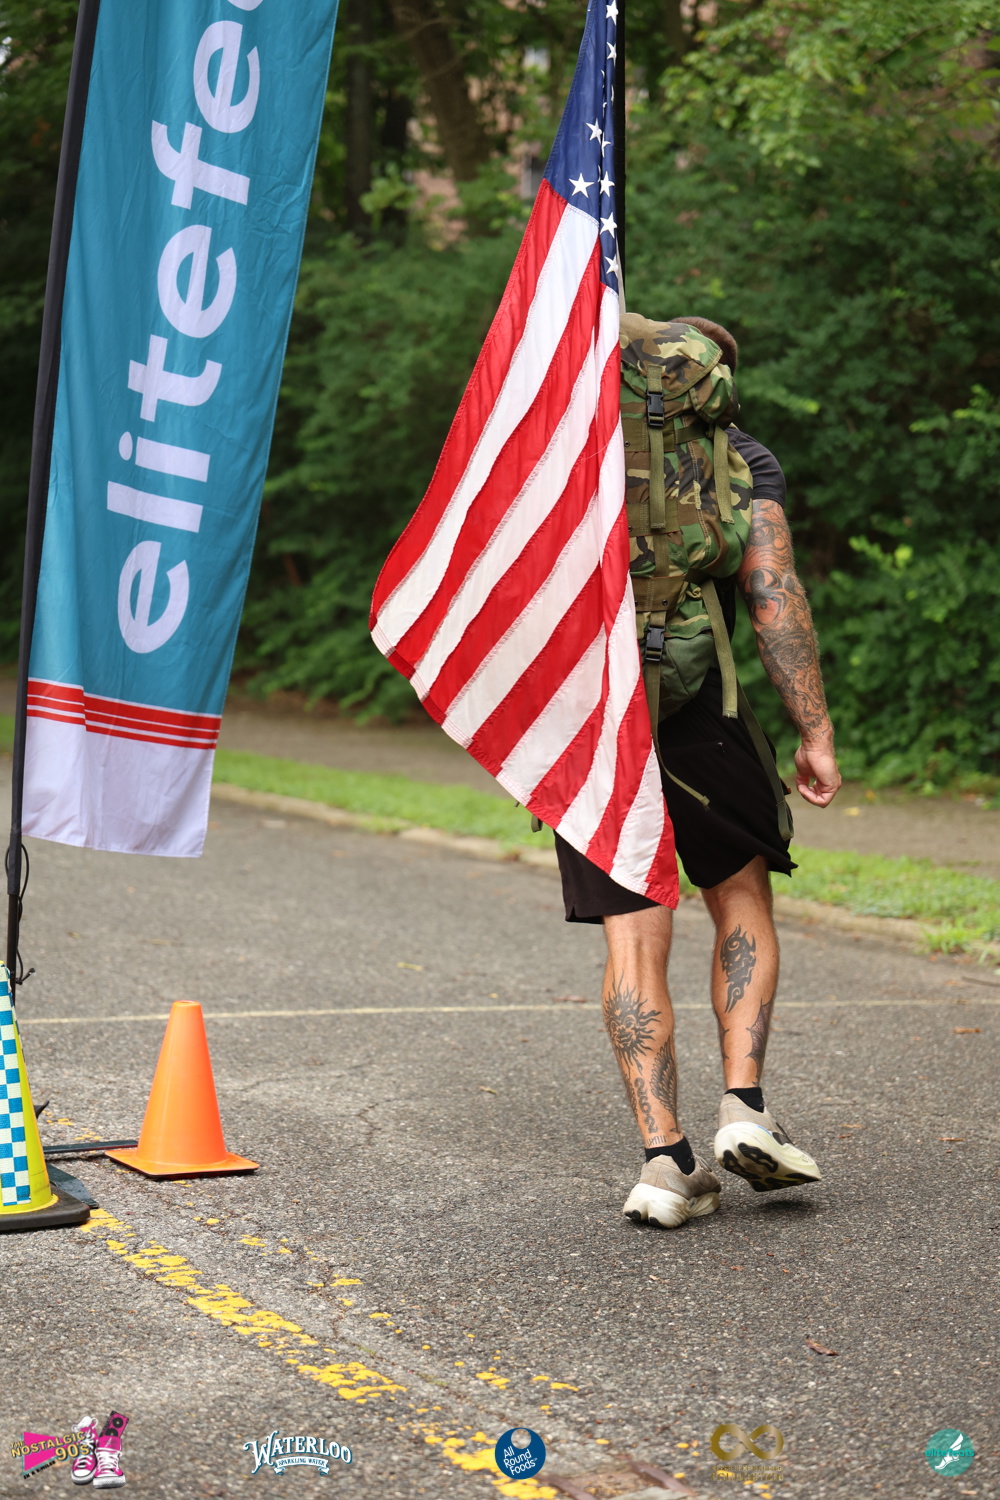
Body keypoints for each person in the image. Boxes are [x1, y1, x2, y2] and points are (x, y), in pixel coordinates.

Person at [554, 315, 842, 1229]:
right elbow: (772, 598)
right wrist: (814, 729)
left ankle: (663, 1162)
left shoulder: (578, 454)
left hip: (600, 726)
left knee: (632, 937)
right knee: (740, 895)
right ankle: (743, 1109)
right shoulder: (742, 459)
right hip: (705, 714)